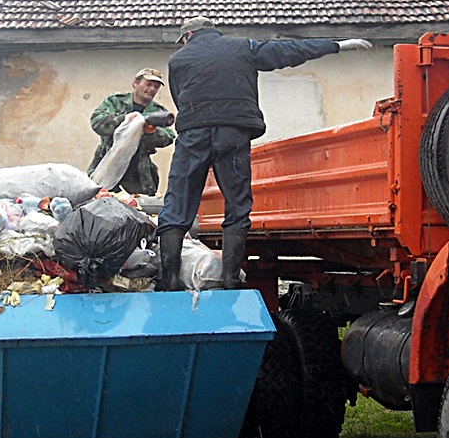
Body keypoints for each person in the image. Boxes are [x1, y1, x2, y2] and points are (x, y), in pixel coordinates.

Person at [155, 16, 372, 291]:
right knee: (237, 203)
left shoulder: (178, 60)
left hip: (193, 134)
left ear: (187, 37)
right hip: (233, 133)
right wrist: (336, 46)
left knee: (177, 204)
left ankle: (170, 281)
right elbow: (287, 52)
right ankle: (231, 280)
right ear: (214, 32)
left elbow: (179, 98)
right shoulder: (242, 47)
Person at [88, 67, 176, 196]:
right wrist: (126, 120)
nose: (152, 89)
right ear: (136, 83)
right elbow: (97, 122)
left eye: (156, 87)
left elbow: (168, 137)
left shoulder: (157, 112)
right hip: (107, 164)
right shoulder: (116, 102)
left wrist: (150, 132)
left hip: (138, 175)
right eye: (148, 84)